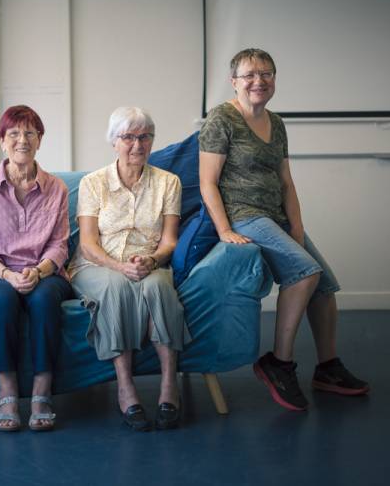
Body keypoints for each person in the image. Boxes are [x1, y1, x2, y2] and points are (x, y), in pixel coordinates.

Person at [199, 48, 369, 412]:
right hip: (244, 215)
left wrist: (297, 226)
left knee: (324, 286)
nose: (258, 81)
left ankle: (327, 368)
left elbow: (286, 182)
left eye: (266, 74)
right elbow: (207, 182)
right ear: (234, 82)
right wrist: (225, 229)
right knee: (305, 272)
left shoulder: (276, 123)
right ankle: (279, 362)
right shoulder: (221, 119)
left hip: (275, 215)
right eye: (249, 75)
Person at [68, 107, 189, 432]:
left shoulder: (169, 183)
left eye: (144, 137)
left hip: (147, 262)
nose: (137, 144)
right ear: (114, 142)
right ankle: (126, 386)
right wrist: (118, 266)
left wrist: (151, 260)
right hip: (97, 264)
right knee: (116, 287)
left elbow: (169, 242)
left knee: (159, 287)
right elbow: (90, 244)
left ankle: (168, 385)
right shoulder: (93, 183)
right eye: (128, 137)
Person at [0, 105, 73, 432]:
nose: (22, 140)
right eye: (14, 133)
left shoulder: (57, 188)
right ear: (2, 141)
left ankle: (42, 389)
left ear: (40, 140)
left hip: (44, 272)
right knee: (2, 299)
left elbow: (59, 245)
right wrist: (7, 274)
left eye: (30, 133)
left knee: (43, 299)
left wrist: (39, 271)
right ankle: (7, 389)